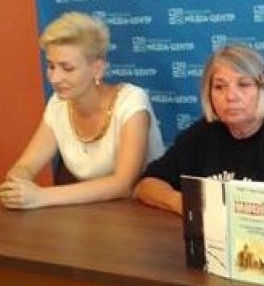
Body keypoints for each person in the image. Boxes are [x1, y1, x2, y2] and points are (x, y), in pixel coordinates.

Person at [134, 44, 264, 215]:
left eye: (243, 85)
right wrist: (184, 203)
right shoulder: (203, 133)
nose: (230, 96)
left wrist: (242, 211)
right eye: (220, 87)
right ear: (208, 94)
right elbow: (147, 184)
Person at [0, 11, 164, 210]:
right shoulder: (58, 104)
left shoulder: (131, 101)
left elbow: (123, 184)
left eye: (67, 68)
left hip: (144, 216)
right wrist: (18, 184)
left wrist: (41, 196)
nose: (55, 78)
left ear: (97, 69)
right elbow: (25, 166)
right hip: (90, 215)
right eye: (51, 66)